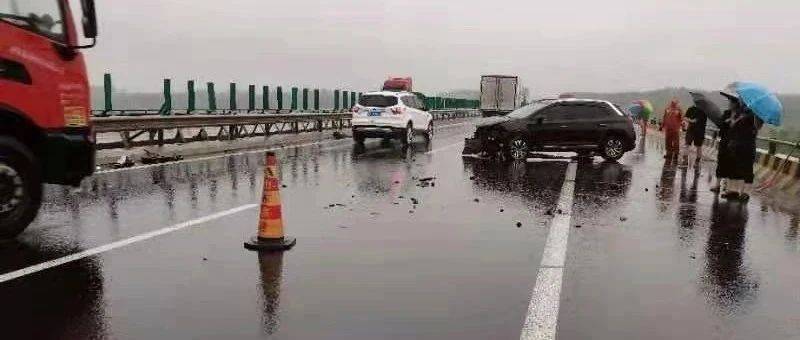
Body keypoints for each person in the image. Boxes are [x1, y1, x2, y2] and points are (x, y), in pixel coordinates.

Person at [724, 104, 763, 201]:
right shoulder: (741, 111)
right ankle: (734, 191)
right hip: (738, 144)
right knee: (735, 166)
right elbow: (732, 126)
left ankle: (745, 192)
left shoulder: (757, 113)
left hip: (748, 144)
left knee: (747, 169)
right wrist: (735, 118)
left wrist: (755, 117)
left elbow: (757, 127)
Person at [710, 108, 733, 193]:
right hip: (724, 141)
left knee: (730, 164)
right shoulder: (726, 113)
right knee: (720, 162)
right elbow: (720, 124)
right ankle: (717, 185)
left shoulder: (740, 115)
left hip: (733, 143)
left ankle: (727, 186)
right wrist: (727, 121)